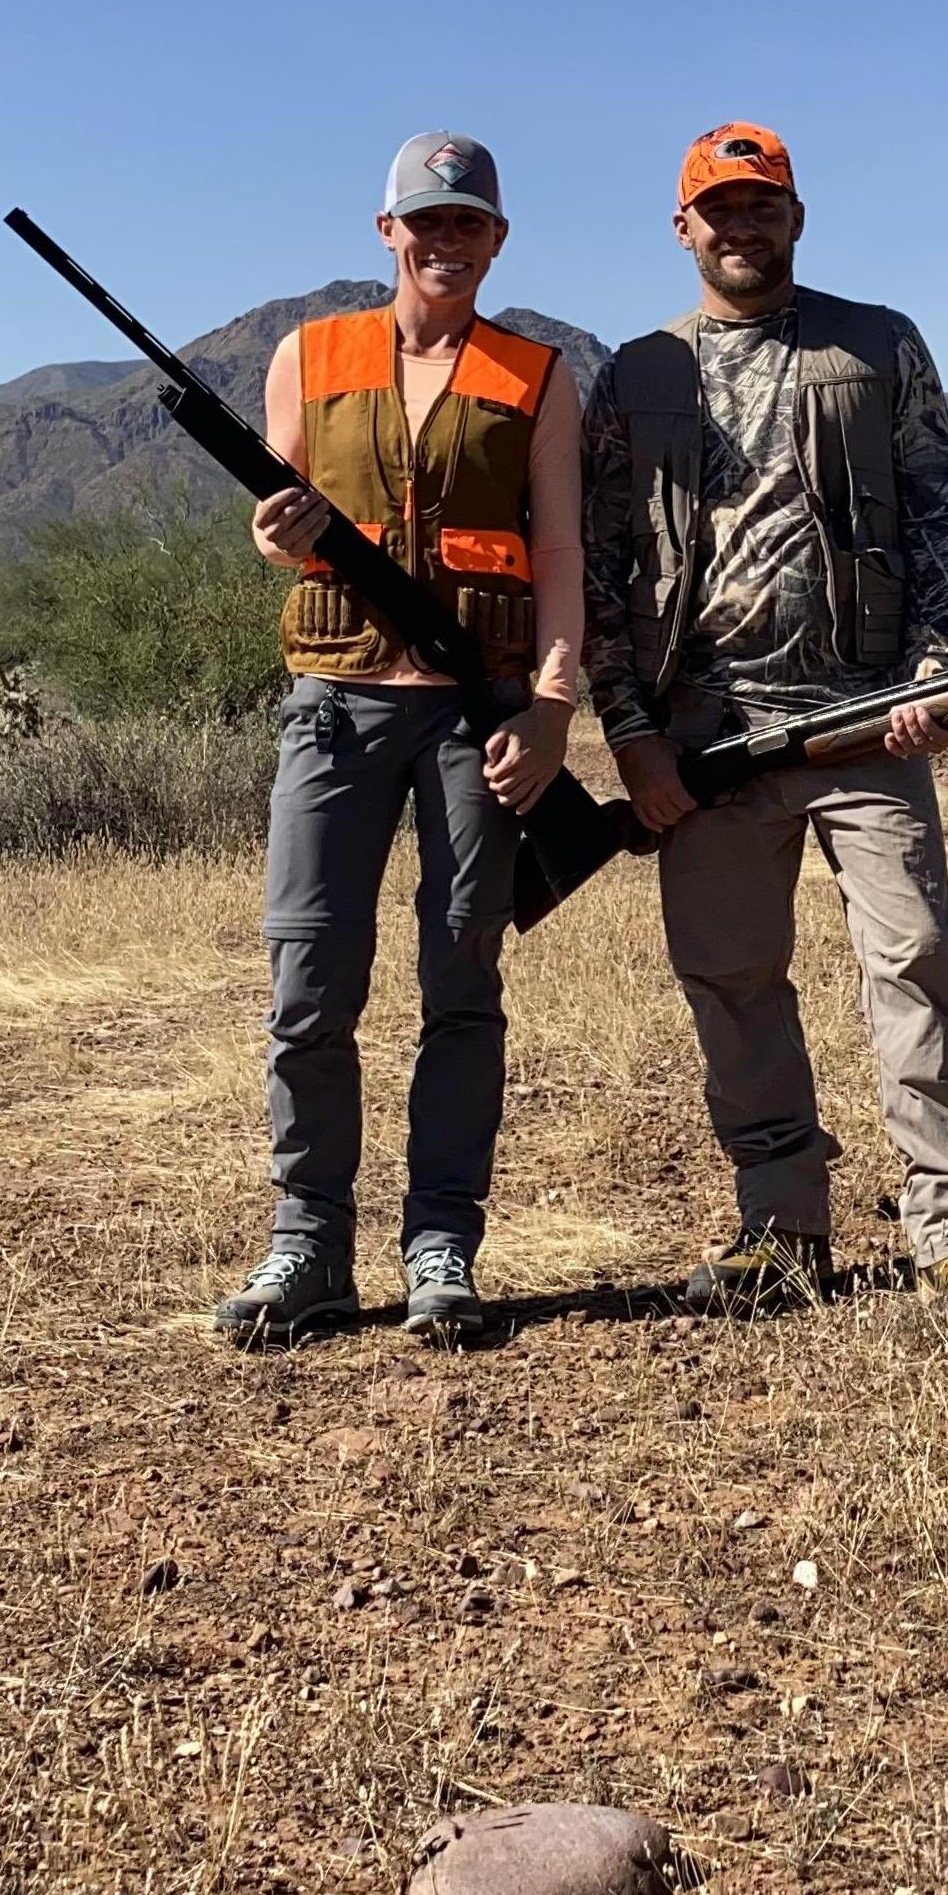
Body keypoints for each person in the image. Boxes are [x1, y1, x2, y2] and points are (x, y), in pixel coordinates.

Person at [581, 122, 948, 1340]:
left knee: (914, 962)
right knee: (731, 980)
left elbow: (940, 525)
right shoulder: (634, 376)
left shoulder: (878, 346)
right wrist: (633, 738)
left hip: (863, 723)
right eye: (718, 208)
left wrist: (934, 672)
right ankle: (781, 1232)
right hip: (704, 728)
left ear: (796, 215)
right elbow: (606, 573)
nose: (741, 225)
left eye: (761, 203)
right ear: (683, 228)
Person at [211, 132, 580, 1349]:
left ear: (497, 238)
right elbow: (285, 526)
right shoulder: (306, 358)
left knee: (462, 986)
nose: (444, 240)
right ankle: (308, 1243)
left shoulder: (538, 373)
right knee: (308, 983)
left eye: (467, 221)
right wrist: (279, 537)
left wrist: (552, 703)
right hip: (336, 700)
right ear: (386, 234)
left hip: (482, 713)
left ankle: (441, 1250)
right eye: (424, 221)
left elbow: (564, 552)